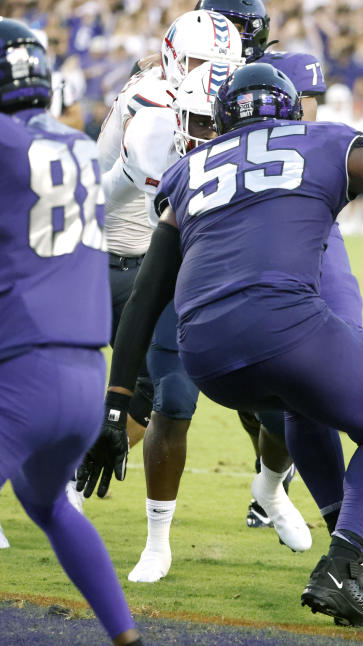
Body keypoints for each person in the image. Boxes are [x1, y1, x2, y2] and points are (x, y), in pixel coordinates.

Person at [100, 63, 363, 627]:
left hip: (206, 353)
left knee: (301, 405)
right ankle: (340, 564)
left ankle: (353, 550)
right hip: (283, 322)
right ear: (291, 111)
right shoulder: (322, 139)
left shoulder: (189, 170)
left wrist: (116, 399)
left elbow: (145, 297)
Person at [196, 0, 363, 543]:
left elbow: (327, 146)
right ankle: (285, 489)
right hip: (223, 236)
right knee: (271, 389)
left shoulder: (288, 92)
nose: (308, 108)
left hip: (306, 228)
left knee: (342, 347)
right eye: (302, 98)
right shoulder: (195, 83)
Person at [80, 12, 251, 586]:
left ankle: (275, 493)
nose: (216, 82)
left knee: (277, 397)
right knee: (161, 398)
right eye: (206, 67)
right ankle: (153, 538)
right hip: (130, 260)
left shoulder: (240, 101)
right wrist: (131, 172)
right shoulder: (149, 112)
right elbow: (98, 196)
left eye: (224, 71)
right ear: (178, 64)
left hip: (208, 268)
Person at [0, 17, 142, 646]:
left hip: (23, 374)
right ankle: (124, 635)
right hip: (86, 379)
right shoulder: (80, 146)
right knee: (49, 506)